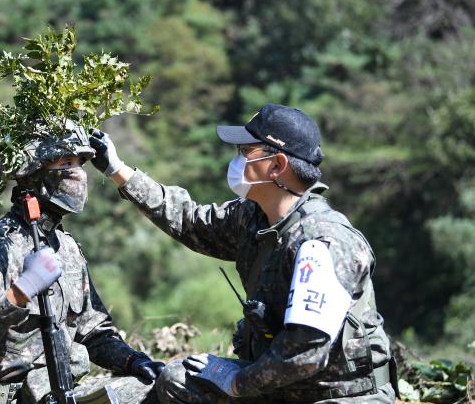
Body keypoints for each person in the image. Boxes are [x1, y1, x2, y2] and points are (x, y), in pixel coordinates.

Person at [89, 104, 398, 403]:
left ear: (277, 166)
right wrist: (117, 170)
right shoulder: (253, 217)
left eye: (246, 152)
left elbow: (304, 354)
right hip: (277, 386)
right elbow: (189, 220)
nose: (237, 161)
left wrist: (238, 382)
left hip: (338, 394)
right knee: (177, 378)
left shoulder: (323, 242)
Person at [0, 120, 164, 404]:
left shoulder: (66, 247)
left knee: (158, 389)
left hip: (56, 395)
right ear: (34, 171)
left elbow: (94, 331)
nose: (78, 174)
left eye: (80, 163)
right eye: (66, 162)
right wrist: (20, 291)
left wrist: (133, 361)